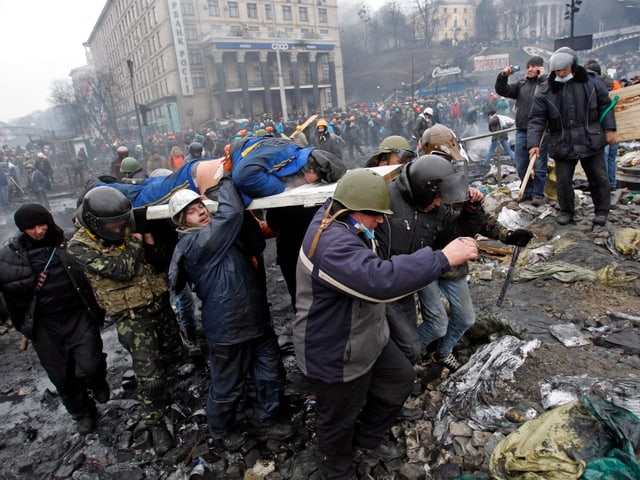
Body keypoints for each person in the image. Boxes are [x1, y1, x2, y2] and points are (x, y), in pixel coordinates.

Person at [293, 169, 479, 479]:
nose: (380, 221)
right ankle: (335, 468)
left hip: (367, 336)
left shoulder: (343, 216)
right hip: (334, 351)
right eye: (373, 215)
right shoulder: (332, 245)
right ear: (349, 208)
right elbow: (380, 280)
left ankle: (367, 439)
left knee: (399, 380)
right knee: (337, 419)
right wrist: (441, 258)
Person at [167, 181, 294, 450]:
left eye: (200, 205)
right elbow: (231, 213)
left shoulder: (220, 235)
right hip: (228, 330)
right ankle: (220, 429)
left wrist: (247, 219)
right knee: (227, 386)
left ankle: (268, 420)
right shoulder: (195, 243)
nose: (200, 211)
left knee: (270, 373)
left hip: (257, 321)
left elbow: (255, 242)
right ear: (182, 221)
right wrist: (226, 180)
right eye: (191, 211)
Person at [67, 187, 186, 455]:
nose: (120, 227)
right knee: (150, 375)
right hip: (132, 316)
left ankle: (170, 395)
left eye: (123, 220)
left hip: (158, 302)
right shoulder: (79, 246)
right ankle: (154, 421)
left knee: (174, 354)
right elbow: (122, 269)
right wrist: (135, 239)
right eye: (114, 224)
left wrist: (152, 242)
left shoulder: (128, 227)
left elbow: (157, 263)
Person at [385, 155, 533, 369]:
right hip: (422, 266)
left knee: (465, 318)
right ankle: (412, 359)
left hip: (450, 265)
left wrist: (505, 234)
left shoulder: (451, 184)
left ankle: (440, 352)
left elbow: (467, 226)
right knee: (436, 324)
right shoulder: (405, 193)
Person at [0, 204, 109, 434]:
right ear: (22, 229)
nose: (39, 231)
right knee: (61, 375)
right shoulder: (9, 257)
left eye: (42, 224)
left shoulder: (70, 242)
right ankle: (82, 412)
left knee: (89, 364)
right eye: (32, 227)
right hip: (43, 323)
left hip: (78, 313)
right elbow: (7, 294)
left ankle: (97, 380)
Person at [528, 47, 617, 226]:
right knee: (563, 181)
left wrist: (610, 129)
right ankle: (567, 211)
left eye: (564, 70)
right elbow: (537, 119)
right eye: (557, 71)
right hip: (563, 142)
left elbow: (605, 106)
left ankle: (601, 211)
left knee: (598, 177)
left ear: (573, 66)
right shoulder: (546, 91)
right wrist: (533, 144)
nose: (560, 74)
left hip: (590, 138)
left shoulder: (592, 82)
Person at [495, 55, 549, 206]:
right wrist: (503, 76)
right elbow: (503, 90)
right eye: (528, 67)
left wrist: (542, 77)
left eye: (534, 66)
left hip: (540, 131)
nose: (531, 69)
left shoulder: (545, 83)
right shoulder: (521, 85)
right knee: (521, 163)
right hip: (522, 130)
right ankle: (527, 190)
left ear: (540, 68)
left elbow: (551, 92)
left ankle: (538, 194)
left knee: (539, 164)